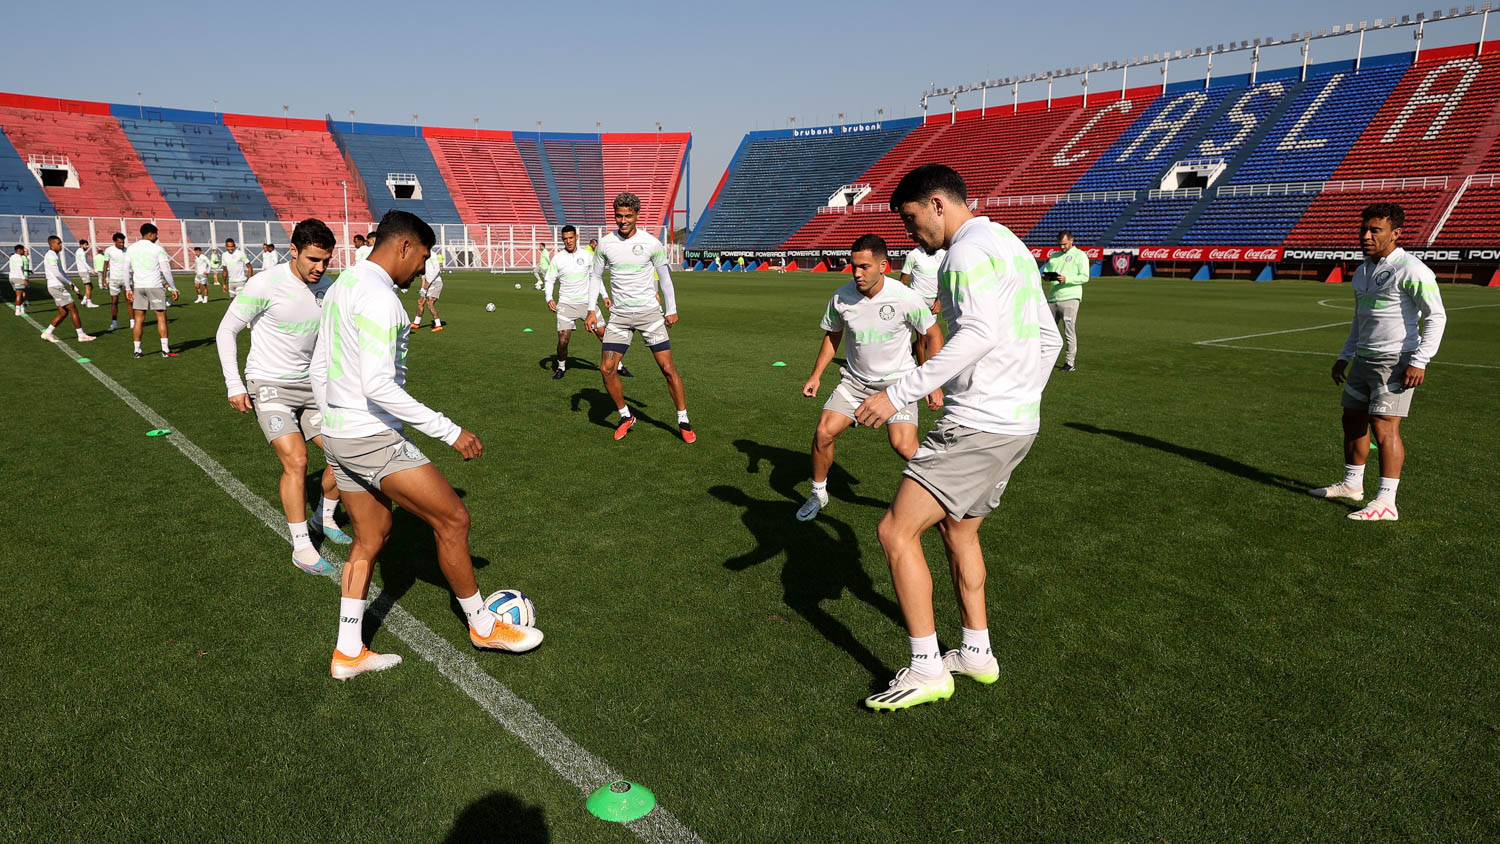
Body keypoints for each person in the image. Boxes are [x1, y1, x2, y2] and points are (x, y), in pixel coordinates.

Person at [853, 164, 1061, 711]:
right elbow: (1050, 339)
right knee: (960, 531)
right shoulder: (1011, 244)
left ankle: (926, 670)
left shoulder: (965, 252)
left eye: (910, 218)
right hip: (1017, 423)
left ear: (938, 204)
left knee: (896, 532)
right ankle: (976, 652)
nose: (909, 232)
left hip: (979, 423)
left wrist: (899, 394)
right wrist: (1023, 396)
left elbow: (978, 334)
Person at [310, 210, 542, 680]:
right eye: (423, 257)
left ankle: (348, 651)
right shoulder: (381, 298)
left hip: (338, 430)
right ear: (404, 246)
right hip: (368, 435)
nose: (422, 269)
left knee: (370, 538)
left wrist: (329, 421)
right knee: (453, 518)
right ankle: (483, 626)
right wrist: (450, 431)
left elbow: (319, 364)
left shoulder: (343, 284)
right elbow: (379, 386)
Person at [217, 218, 350, 574]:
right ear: (293, 251)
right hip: (269, 383)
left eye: (326, 260)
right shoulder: (266, 283)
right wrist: (234, 384)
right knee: (297, 460)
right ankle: (302, 547)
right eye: (313, 259)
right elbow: (226, 329)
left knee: (345, 452)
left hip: (313, 387)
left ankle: (323, 518)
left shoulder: (329, 289)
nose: (320, 268)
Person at [1307, 203, 1446, 522]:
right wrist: (1345, 355)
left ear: (1396, 234)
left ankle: (1386, 502)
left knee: (1384, 426)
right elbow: (1360, 318)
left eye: (1375, 230)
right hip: (1363, 359)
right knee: (1352, 418)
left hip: (1396, 359)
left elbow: (1436, 316)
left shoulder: (1411, 269)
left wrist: (1420, 360)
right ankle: (1352, 485)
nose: (1366, 236)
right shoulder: (1363, 271)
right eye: (1364, 230)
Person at [797, 234, 943, 522]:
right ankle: (818, 493)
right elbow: (832, 335)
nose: (856, 273)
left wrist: (933, 382)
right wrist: (816, 375)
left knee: (904, 446)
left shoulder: (905, 297)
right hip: (855, 382)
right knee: (824, 432)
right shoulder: (841, 297)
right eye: (854, 266)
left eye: (864, 267)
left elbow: (934, 334)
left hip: (898, 384)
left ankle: (942, 492)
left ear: (883, 266)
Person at [588, 192, 691, 442]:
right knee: (607, 369)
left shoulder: (651, 243)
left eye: (628, 216)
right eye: (619, 216)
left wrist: (671, 309)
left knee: (667, 369)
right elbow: (595, 277)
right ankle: (625, 415)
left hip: (649, 315)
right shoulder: (605, 244)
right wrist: (591, 309)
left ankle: (683, 419)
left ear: (637, 215)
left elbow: (665, 278)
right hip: (619, 316)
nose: (623, 221)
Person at [544, 224, 608, 379]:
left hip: (588, 304)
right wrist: (549, 297)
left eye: (571, 237)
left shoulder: (587, 256)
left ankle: (617, 365)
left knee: (604, 335)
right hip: (566, 304)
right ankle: (561, 367)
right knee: (563, 340)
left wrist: (605, 295)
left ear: (577, 237)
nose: (568, 241)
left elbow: (595, 278)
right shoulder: (558, 258)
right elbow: (549, 279)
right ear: (562, 240)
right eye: (565, 239)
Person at [125, 223, 181, 358]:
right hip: (154, 285)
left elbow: (125, 270)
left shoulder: (131, 248)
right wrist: (173, 288)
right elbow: (166, 271)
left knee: (139, 319)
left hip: (139, 286)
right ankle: (165, 350)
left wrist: (127, 288)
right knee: (161, 317)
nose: (157, 237)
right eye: (156, 234)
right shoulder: (158, 249)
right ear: (150, 234)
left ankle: (137, 351)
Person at [1041, 231, 1090, 371]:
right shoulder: (1054, 256)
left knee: (1069, 330)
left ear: (1071, 240)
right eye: (1060, 244)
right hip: (1052, 297)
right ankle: (1044, 360)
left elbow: (1085, 276)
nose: (1062, 247)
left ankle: (1069, 363)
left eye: (1064, 244)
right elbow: (1046, 272)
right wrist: (1046, 276)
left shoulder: (1080, 255)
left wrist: (1067, 279)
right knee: (1046, 331)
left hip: (1070, 297)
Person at [39, 236, 97, 343]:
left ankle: (47, 333)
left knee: (63, 313)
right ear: (52, 245)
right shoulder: (51, 255)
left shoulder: (54, 255)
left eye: (61, 243)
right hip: (56, 286)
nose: (61, 245)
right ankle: (81, 335)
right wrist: (69, 283)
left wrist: (74, 286)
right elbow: (57, 273)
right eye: (58, 243)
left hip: (55, 286)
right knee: (73, 308)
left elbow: (62, 272)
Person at [899, 243, 945, 316]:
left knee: (931, 323)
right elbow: (902, 281)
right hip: (917, 297)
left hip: (934, 300)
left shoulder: (943, 254)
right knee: (914, 323)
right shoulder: (913, 255)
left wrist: (939, 301)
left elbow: (946, 279)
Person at [412, 248, 444, 331]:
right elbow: (424, 273)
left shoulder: (433, 255)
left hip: (435, 283)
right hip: (427, 283)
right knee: (420, 302)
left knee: (430, 303)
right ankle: (416, 323)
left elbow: (437, 269)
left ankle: (438, 325)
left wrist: (429, 282)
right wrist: (423, 287)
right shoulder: (423, 256)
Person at [104, 232, 130, 330]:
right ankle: (114, 324)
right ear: (114, 241)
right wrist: (104, 279)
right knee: (114, 302)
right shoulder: (109, 250)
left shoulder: (127, 250)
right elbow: (105, 264)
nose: (122, 244)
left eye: (123, 242)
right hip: (114, 279)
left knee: (129, 301)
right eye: (119, 242)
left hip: (126, 279)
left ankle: (132, 322)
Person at [73, 239, 100, 307]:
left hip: (83, 271)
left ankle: (84, 300)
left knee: (91, 286)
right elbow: (84, 262)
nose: (87, 246)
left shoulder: (79, 251)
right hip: (83, 271)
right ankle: (89, 303)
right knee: (88, 287)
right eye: (85, 245)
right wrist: (90, 269)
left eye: (87, 245)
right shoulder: (81, 252)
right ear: (81, 245)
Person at [7, 245, 27, 316]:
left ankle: (22, 309)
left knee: (19, 294)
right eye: (23, 250)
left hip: (11, 277)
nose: (24, 251)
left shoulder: (12, 257)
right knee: (19, 295)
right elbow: (19, 269)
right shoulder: (19, 258)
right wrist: (24, 278)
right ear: (20, 250)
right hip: (18, 277)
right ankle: (17, 311)